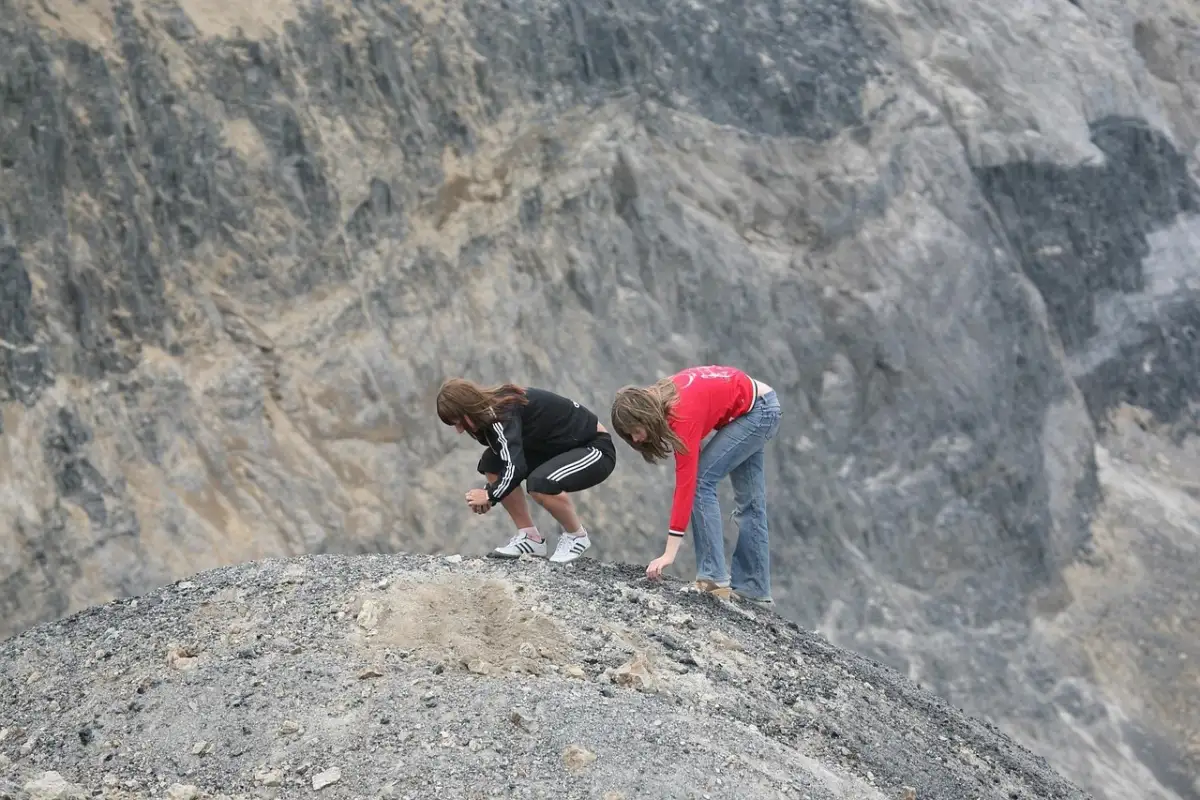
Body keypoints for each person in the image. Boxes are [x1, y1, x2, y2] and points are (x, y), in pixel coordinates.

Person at [610, 365, 782, 605]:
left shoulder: (681, 414)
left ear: (645, 416)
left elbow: (686, 486)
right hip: (755, 406)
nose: (636, 439)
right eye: (630, 436)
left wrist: (669, 553)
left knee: (701, 481)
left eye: (635, 431)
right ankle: (755, 589)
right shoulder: (661, 397)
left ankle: (713, 578)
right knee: (750, 502)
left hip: (758, 412)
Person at [436, 377, 617, 563]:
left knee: (540, 483)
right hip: (555, 449)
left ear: (468, 408)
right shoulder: (488, 416)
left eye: (459, 422)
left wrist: (490, 495)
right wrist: (493, 492)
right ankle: (530, 537)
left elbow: (516, 468)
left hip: (594, 448)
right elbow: (507, 460)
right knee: (492, 463)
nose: (459, 430)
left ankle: (577, 536)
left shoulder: (501, 414)